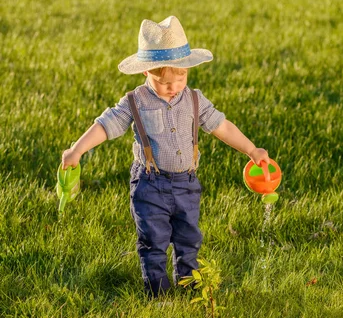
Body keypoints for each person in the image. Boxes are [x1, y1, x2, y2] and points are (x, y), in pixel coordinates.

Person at [61, 16, 269, 298]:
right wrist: (77, 150)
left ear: (187, 70)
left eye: (180, 77)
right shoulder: (135, 102)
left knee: (189, 239)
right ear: (145, 73)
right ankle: (157, 294)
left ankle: (190, 287)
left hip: (187, 183)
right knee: (153, 240)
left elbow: (222, 126)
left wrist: (251, 149)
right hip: (150, 185)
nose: (173, 86)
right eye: (163, 81)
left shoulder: (195, 99)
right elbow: (105, 125)